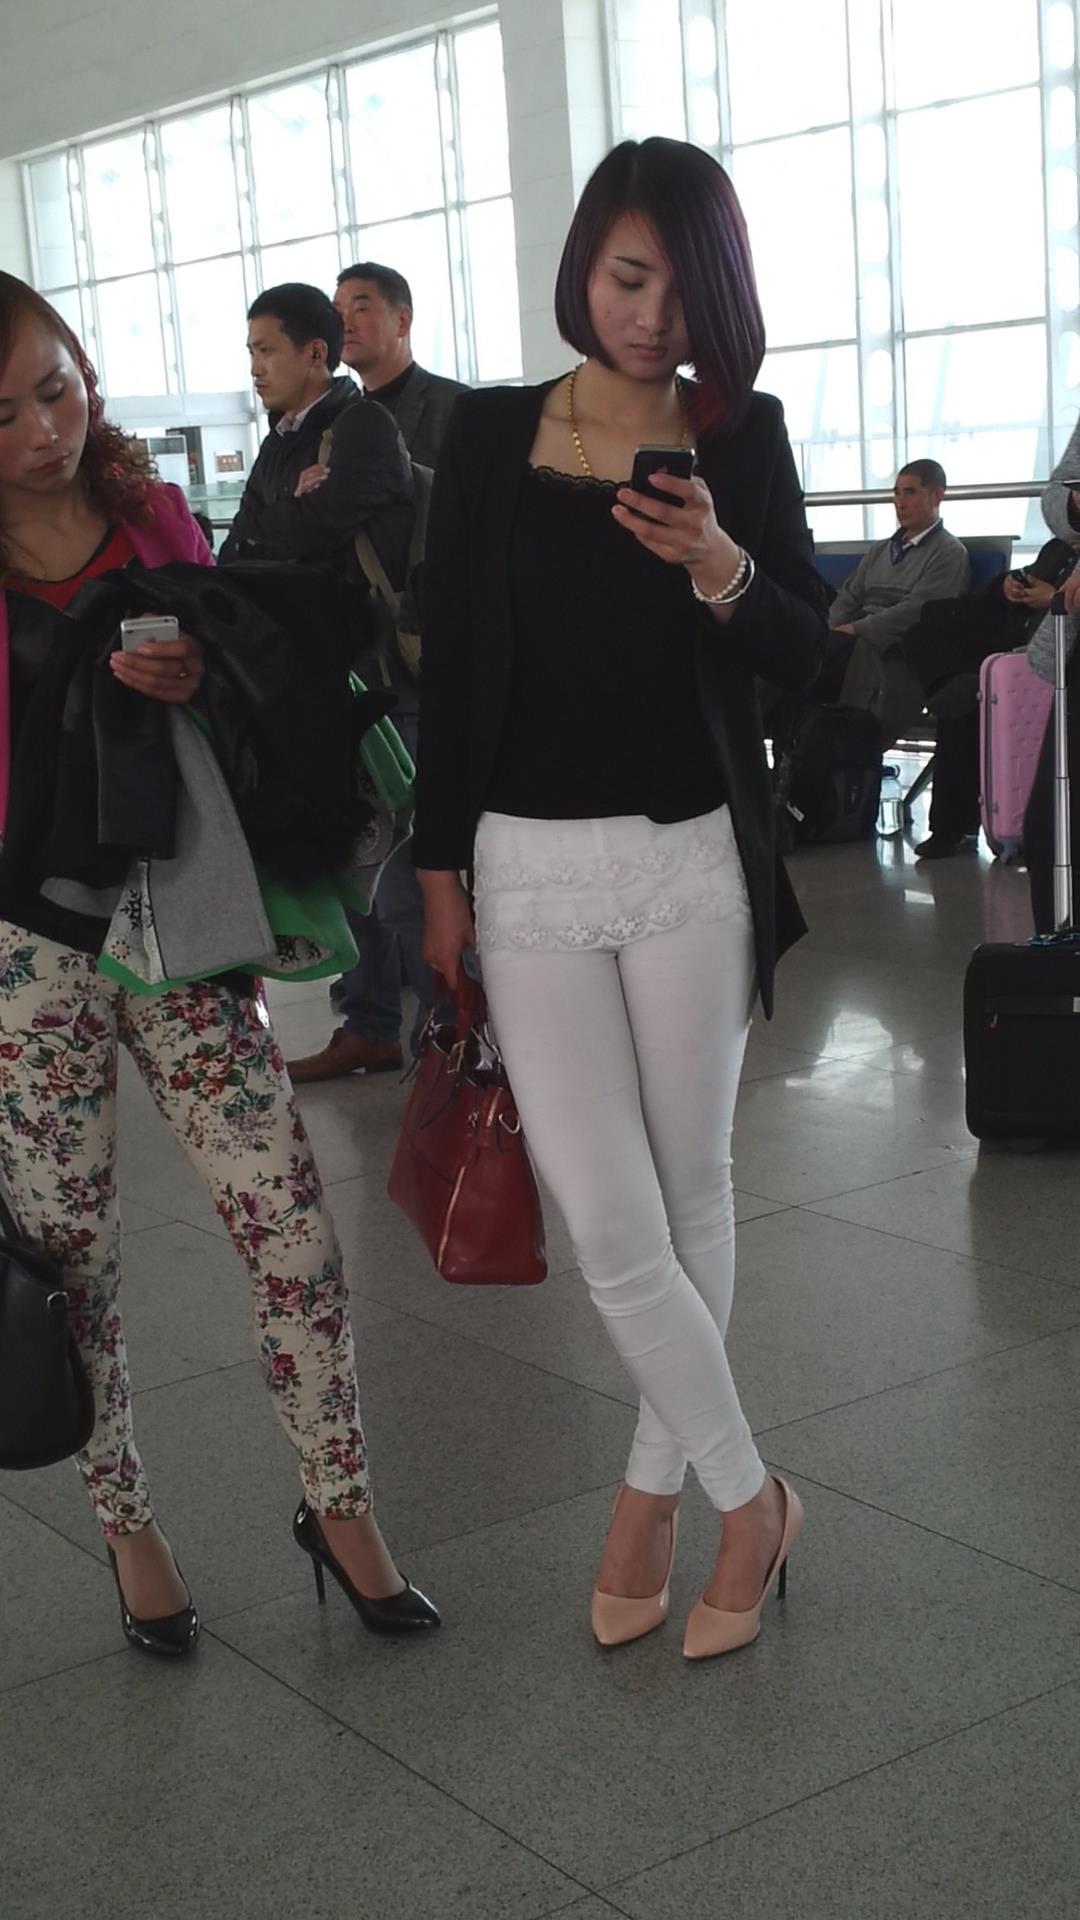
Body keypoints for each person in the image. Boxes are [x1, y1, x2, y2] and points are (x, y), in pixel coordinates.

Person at [413, 138, 826, 1661]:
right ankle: (751, 1499)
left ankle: (649, 1501)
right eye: (629, 278)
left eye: (683, 289)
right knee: (606, 1219)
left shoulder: (743, 433)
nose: (654, 317)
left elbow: (809, 650)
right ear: (584, 267)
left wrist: (719, 560)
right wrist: (438, 869)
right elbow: (452, 663)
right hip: (525, 865)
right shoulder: (490, 432)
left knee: (689, 1190)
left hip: (688, 857)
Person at [0, 273, 438, 1654]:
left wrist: (195, 674)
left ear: (87, 376)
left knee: (293, 1231)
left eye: (56, 390)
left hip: (179, 926)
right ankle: (129, 1530)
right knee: (73, 1268)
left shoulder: (152, 516)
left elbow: (242, 678)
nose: (41, 431)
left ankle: (340, 1506)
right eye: (3, 414)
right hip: (26, 952)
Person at [288, 263, 468, 1084]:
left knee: (418, 865)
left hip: (422, 665)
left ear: (403, 317)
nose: (347, 321)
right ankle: (366, 1023)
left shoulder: (453, 413)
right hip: (345, 667)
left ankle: (447, 1032)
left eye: (363, 305)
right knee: (352, 849)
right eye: (338, 309)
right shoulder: (326, 419)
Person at [903, 516, 1078, 859]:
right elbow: (1013, 586)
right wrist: (1008, 586)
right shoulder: (1058, 548)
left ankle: (950, 827)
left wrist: (1054, 599)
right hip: (1008, 637)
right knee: (925, 627)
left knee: (962, 704)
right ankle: (953, 684)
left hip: (1040, 654)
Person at [814, 461, 971, 747]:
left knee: (814, 668)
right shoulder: (879, 550)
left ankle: (835, 748)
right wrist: (832, 628)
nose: (900, 502)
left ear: (936, 495)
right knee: (802, 652)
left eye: (910, 492)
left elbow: (917, 610)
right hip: (850, 643)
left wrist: (856, 629)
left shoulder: (948, 554)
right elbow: (849, 595)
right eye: (896, 493)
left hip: (894, 648)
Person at [333, 262, 468, 468]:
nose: (346, 326)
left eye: (360, 310)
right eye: (338, 314)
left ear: (402, 321)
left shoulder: (455, 406)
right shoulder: (342, 416)